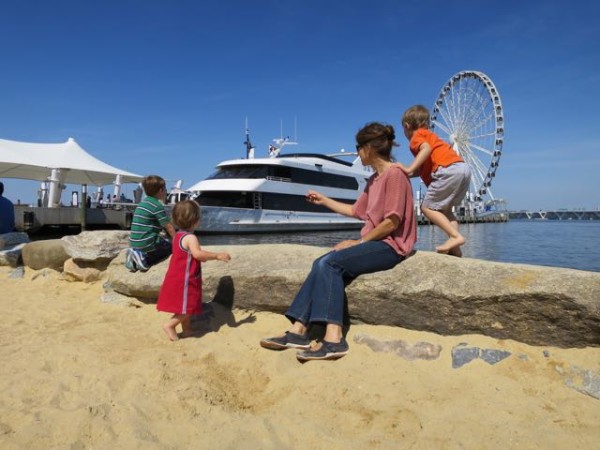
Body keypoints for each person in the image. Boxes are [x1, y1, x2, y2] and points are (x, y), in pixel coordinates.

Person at [260, 122, 417, 362]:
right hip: (376, 243)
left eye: (358, 147)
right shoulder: (374, 179)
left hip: (391, 246)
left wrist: (359, 242)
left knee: (330, 264)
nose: (357, 153)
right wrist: (324, 200)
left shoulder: (395, 175)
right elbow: (356, 210)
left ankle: (334, 339)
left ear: (369, 148)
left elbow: (392, 222)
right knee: (321, 262)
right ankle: (298, 331)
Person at [397, 105, 471, 256]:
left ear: (406, 126)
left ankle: (456, 237)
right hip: (462, 168)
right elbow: (422, 169)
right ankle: (455, 250)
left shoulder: (416, 137)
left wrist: (408, 168)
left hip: (447, 170)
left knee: (427, 208)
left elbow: (426, 150)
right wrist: (407, 173)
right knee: (445, 210)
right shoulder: (431, 136)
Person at [156, 200, 231, 341]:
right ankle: (170, 325)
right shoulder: (191, 238)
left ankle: (187, 330)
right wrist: (217, 255)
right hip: (185, 279)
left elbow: (189, 256)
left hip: (177, 276)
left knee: (184, 306)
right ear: (195, 220)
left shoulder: (178, 236)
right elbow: (197, 254)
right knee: (189, 307)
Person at [126, 175, 176, 272]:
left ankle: (135, 257)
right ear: (161, 190)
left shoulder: (142, 204)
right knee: (169, 248)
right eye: (165, 189)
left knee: (162, 241)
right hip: (146, 244)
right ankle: (145, 259)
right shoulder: (157, 206)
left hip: (134, 243)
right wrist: (177, 241)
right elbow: (168, 226)